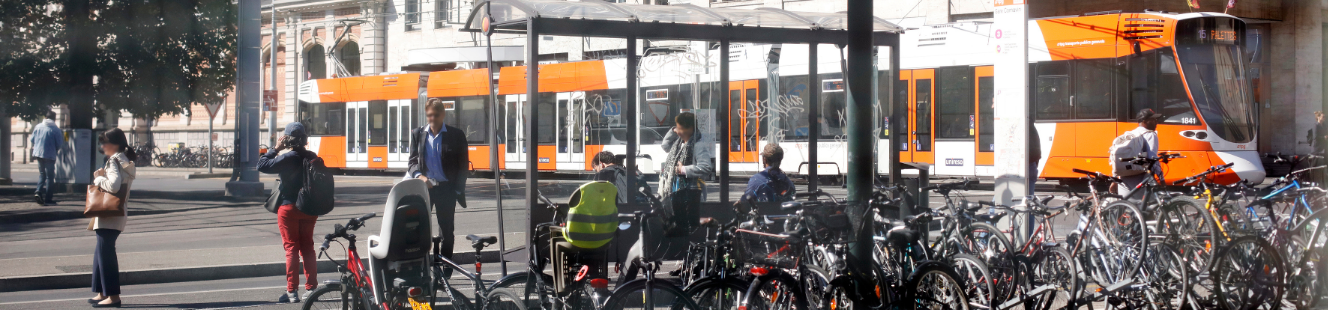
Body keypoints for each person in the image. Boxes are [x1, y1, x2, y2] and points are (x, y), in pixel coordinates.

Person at [256, 123, 321, 303]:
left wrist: (275, 148)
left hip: (288, 207)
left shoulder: (287, 157)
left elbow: (261, 165)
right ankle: (312, 289)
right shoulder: (312, 156)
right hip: (309, 208)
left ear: (287, 139)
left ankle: (292, 292)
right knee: (308, 247)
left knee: (291, 247)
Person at [408, 99, 469, 277]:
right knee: (419, 231)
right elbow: (412, 163)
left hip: (446, 190)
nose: (432, 118)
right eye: (429, 115)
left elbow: (463, 166)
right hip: (424, 190)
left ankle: (446, 270)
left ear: (443, 114)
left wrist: (457, 189)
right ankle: (422, 269)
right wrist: (420, 176)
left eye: (435, 115)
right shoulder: (418, 134)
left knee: (447, 232)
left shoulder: (455, 135)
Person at [88, 128, 137, 308]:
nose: (102, 146)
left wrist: (99, 179)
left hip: (110, 213)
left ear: (115, 143)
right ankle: (102, 292)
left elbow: (114, 186)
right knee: (101, 251)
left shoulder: (114, 161)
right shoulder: (124, 159)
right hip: (116, 211)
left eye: (104, 142)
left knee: (106, 253)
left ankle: (113, 296)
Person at [658, 112, 714, 235]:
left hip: (689, 195)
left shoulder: (697, 145)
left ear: (690, 129)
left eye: (679, 128)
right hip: (675, 193)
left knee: (687, 228)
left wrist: (683, 170)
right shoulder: (678, 143)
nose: (677, 131)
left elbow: (706, 167)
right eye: (676, 128)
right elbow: (665, 145)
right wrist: (673, 131)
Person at [1117, 109, 1165, 193]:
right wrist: (1161, 177)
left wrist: (1116, 179)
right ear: (1144, 121)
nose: (1156, 122)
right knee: (1149, 203)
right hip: (1140, 176)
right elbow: (1152, 158)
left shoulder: (1130, 134)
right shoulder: (1150, 135)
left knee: (1126, 204)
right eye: (1153, 119)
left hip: (1124, 177)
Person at [31, 110, 63, 206]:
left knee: (42, 174)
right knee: (50, 177)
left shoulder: (38, 126)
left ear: (45, 117)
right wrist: (54, 149)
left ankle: (38, 191)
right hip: (50, 155)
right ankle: (48, 198)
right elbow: (59, 144)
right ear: (54, 119)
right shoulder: (56, 129)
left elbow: (32, 139)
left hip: (38, 153)